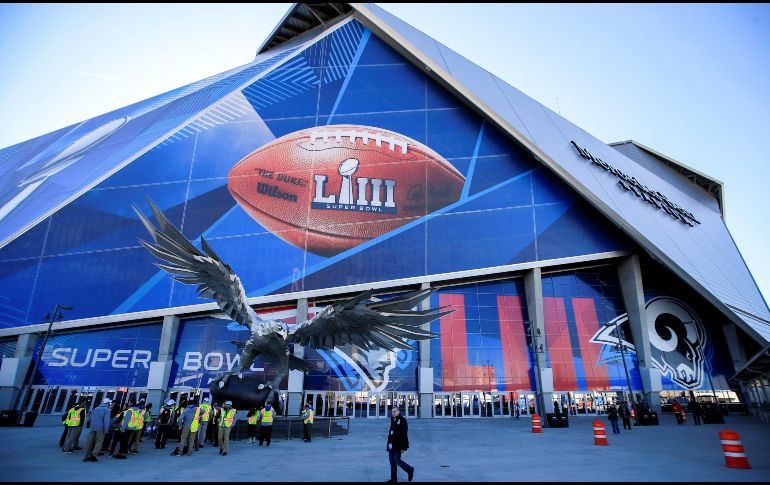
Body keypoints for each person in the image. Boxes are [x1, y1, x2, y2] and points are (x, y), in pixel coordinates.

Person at [386, 407, 414, 483]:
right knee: (392, 462)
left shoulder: (402, 420)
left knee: (397, 461)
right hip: (391, 445)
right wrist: (388, 444)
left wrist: (403, 447)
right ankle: (393, 479)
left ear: (398, 412)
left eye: (395, 411)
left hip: (398, 445)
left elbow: (404, 434)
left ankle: (410, 469)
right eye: (392, 412)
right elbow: (390, 433)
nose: (393, 413)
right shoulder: (393, 419)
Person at [83, 398, 111, 462]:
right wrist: (106, 430)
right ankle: (94, 455)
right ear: (108, 403)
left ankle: (87, 455)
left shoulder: (95, 408)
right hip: (101, 428)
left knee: (89, 442)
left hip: (93, 427)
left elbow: (89, 419)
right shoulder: (107, 410)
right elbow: (106, 421)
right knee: (99, 442)